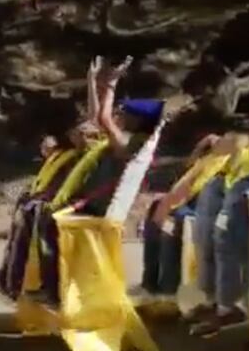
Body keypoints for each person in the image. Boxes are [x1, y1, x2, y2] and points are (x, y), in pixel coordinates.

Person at [35, 55, 165, 305]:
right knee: (37, 210)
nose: (119, 113)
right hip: (89, 201)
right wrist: (93, 82)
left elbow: (103, 119)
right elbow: (98, 117)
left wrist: (113, 84)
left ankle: (52, 291)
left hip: (96, 207)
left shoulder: (127, 145)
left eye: (124, 112)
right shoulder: (123, 140)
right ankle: (46, 283)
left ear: (136, 122)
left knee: (46, 221)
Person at [0, 56, 103, 300]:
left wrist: (95, 82)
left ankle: (36, 286)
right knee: (25, 205)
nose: (78, 134)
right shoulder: (70, 150)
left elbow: (97, 117)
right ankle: (10, 275)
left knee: (34, 211)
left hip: (74, 203)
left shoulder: (92, 148)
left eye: (82, 131)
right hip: (55, 197)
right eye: (76, 131)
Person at [138, 133, 230, 298]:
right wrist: (201, 146)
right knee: (156, 209)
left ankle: (167, 288)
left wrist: (170, 205)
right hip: (191, 202)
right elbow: (188, 171)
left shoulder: (230, 160)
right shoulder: (208, 159)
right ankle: (149, 283)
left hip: (209, 207)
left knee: (173, 220)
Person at [187, 130, 249, 336]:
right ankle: (214, 302)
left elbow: (235, 142)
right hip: (236, 174)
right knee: (204, 234)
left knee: (226, 236)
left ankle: (229, 308)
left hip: (246, 182)